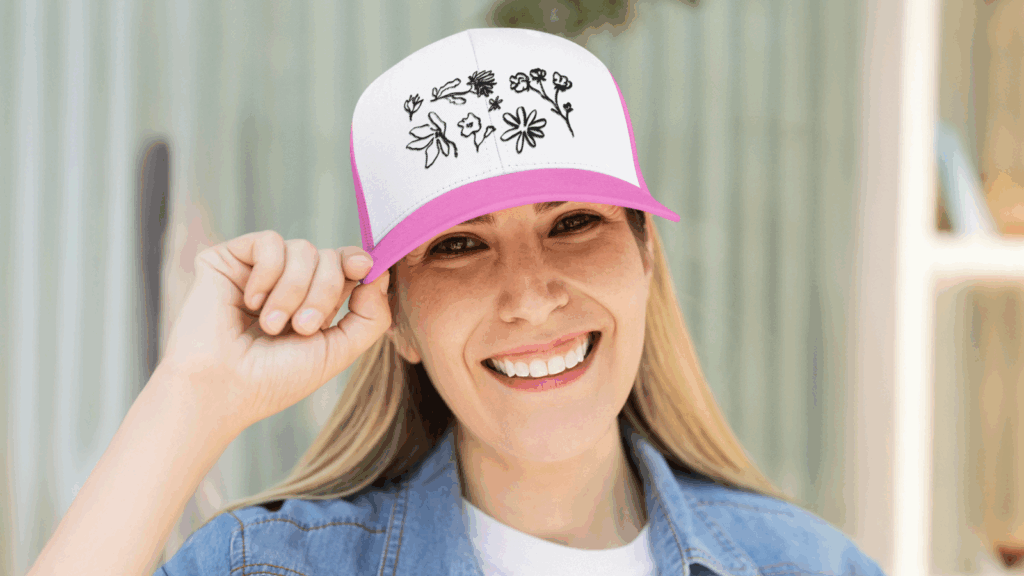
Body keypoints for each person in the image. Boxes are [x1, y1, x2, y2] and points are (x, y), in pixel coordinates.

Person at [28, 28, 888, 576]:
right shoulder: (275, 567)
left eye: (575, 222)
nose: (529, 295)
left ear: (645, 256)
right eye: (460, 245)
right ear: (395, 313)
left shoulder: (809, 564)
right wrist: (195, 394)